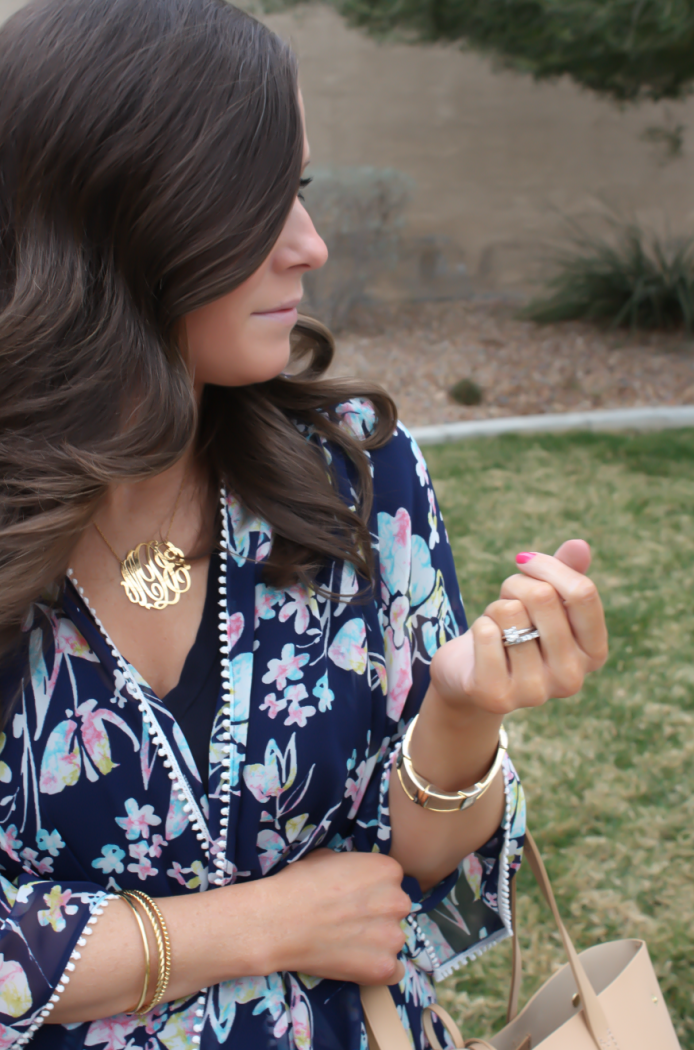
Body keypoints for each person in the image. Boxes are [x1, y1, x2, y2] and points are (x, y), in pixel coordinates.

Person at [0, 0, 608, 1047]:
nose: (311, 245)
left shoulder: (355, 472)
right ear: (115, 215)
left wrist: (460, 720)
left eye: (302, 192)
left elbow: (410, 874)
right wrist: (258, 924)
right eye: (257, 201)